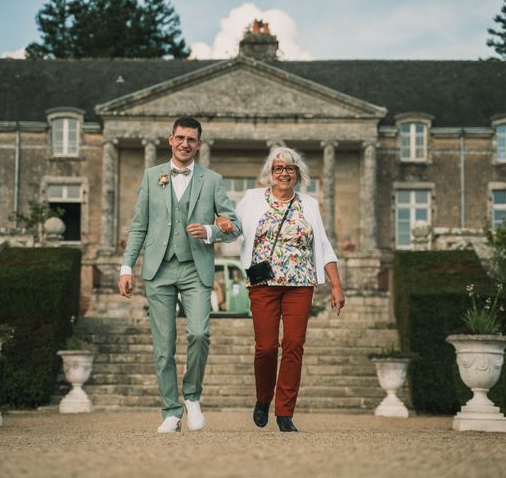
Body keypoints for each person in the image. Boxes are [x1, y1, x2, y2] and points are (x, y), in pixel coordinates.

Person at [118, 116, 241, 433]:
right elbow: (139, 227)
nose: (186, 144)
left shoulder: (212, 180)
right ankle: (171, 411)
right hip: (158, 269)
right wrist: (126, 267)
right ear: (170, 139)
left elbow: (234, 226)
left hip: (195, 267)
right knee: (164, 345)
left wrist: (212, 230)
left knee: (199, 333)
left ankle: (192, 396)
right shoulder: (151, 176)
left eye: (192, 139)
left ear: (199, 144)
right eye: (181, 138)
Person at [235, 146, 345, 432]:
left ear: (297, 174)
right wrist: (214, 229)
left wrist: (336, 284)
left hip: (300, 283)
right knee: (267, 348)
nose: (284, 173)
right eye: (278, 168)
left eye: (289, 168)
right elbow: (232, 227)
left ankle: (285, 412)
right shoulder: (251, 198)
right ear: (270, 174)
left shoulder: (308, 203)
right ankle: (263, 399)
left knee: (294, 345)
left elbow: (321, 243)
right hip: (263, 284)